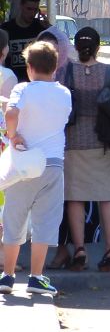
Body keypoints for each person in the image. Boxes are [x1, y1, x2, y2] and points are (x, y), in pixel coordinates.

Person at [56, 26, 110, 273]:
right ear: (97, 48)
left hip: (72, 144)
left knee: (75, 198)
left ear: (75, 47)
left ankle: (80, 250)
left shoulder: (66, 73)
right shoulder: (109, 73)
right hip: (102, 144)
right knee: (106, 196)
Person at [0, 40, 73, 296]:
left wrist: (13, 136)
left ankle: (7, 275)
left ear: (29, 68)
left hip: (23, 163)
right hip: (52, 164)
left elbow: (11, 114)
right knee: (45, 221)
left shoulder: (22, 89)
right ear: (55, 67)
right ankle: (37, 276)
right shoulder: (64, 93)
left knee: (14, 218)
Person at [1, 0, 51, 83]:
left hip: (35, 84)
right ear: (21, 6)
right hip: (12, 82)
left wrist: (48, 27)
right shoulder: (6, 29)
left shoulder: (40, 28)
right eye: (29, 9)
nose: (32, 13)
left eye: (35, 10)